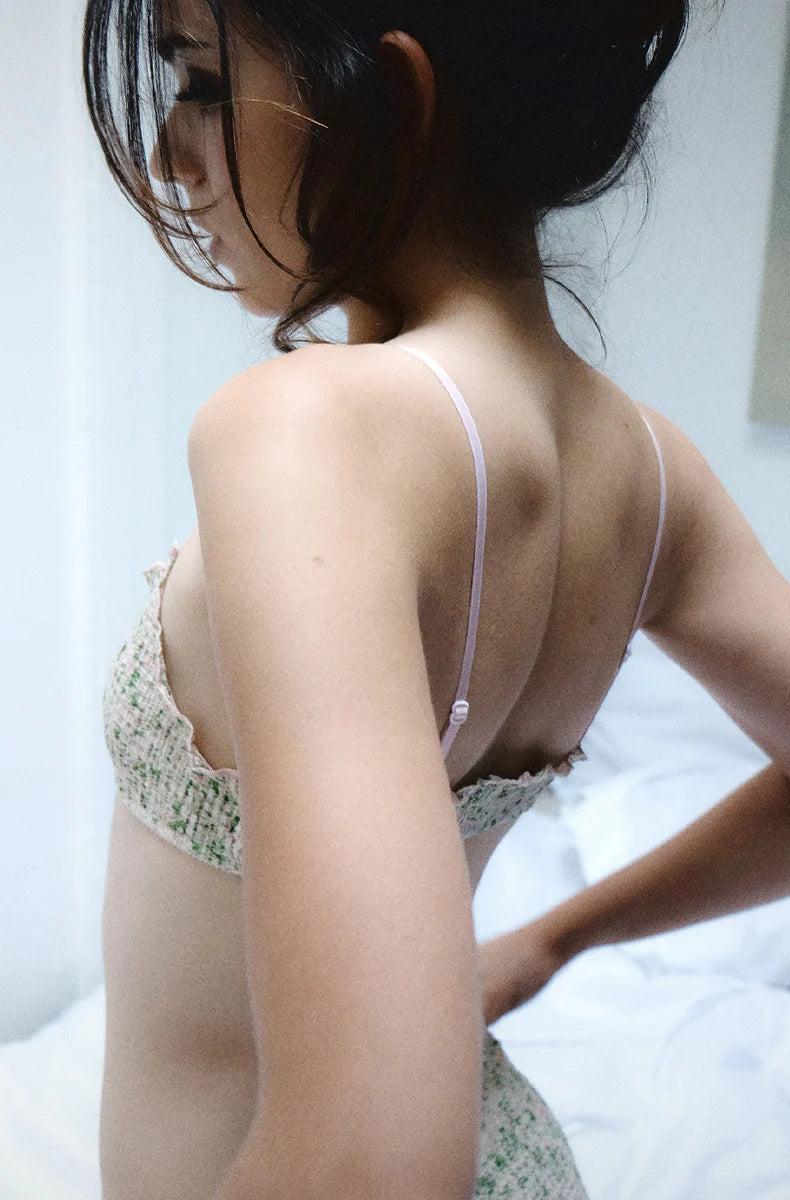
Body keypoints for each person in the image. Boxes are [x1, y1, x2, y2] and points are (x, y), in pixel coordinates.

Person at [87, 0, 790, 1197]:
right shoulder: (651, 471)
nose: (167, 157)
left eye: (201, 82)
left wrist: (555, 936)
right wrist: (550, 940)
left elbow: (374, 1163)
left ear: (392, 98)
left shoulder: (308, 433)